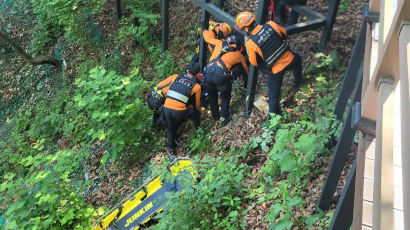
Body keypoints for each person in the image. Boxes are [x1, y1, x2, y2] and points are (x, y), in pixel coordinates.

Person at [235, 11, 302, 116]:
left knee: (273, 97)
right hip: (289, 59)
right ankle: (298, 84)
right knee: (298, 59)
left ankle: (273, 121)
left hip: (275, 70)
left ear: (246, 29)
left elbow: (254, 62)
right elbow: (284, 33)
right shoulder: (271, 24)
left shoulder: (251, 43)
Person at [203, 34, 249, 125]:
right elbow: (245, 71)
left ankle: (215, 116)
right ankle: (224, 118)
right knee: (226, 96)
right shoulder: (238, 55)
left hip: (208, 71)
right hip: (220, 74)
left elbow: (207, 38)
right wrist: (247, 86)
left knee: (212, 96)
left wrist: (204, 30)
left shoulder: (220, 44)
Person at [163, 62, 202, 154]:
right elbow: (197, 105)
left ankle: (171, 149)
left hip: (166, 107)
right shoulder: (196, 86)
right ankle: (199, 131)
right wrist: (197, 111)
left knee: (170, 127)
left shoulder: (175, 76)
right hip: (179, 111)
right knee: (195, 114)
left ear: (187, 70)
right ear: (197, 74)